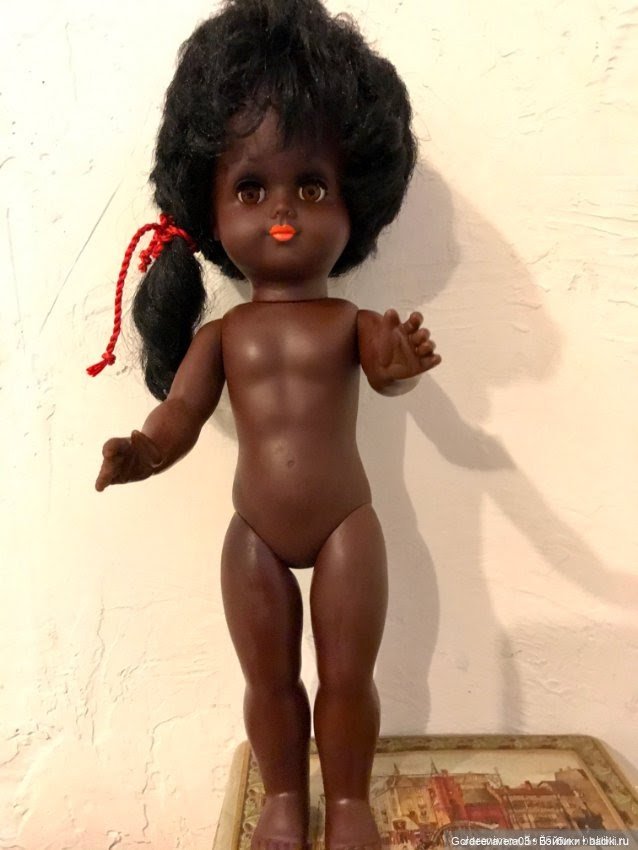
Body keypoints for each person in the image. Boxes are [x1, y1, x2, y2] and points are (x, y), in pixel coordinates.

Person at [90, 1, 441, 848]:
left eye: (310, 188)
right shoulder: (222, 336)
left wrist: (397, 365)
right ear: (210, 209)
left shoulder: (350, 322)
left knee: (347, 680)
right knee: (269, 682)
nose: (283, 212)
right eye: (252, 189)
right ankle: (284, 799)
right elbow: (181, 412)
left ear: (356, 202)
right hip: (252, 534)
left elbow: (387, 376)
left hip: (348, 526)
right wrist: (145, 450)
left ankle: (348, 804)